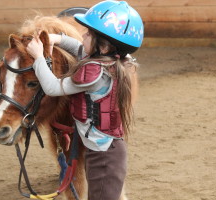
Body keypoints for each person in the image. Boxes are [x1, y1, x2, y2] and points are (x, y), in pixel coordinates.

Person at [26, 1, 144, 199]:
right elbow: (79, 48)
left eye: (88, 34)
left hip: (104, 156)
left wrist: (38, 57)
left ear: (104, 46)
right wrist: (57, 38)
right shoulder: (110, 62)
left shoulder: (94, 73)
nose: (83, 36)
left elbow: (53, 87)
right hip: (103, 149)